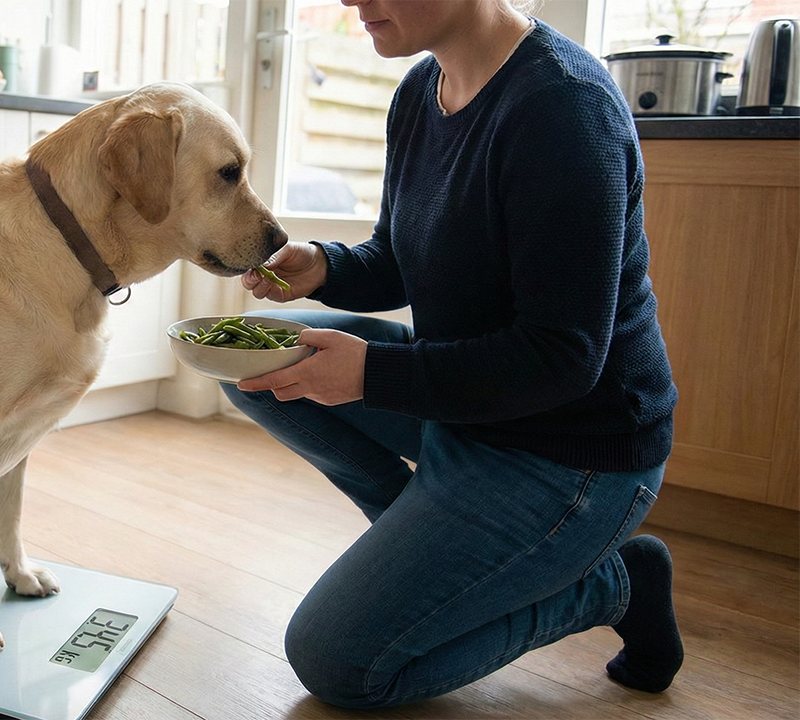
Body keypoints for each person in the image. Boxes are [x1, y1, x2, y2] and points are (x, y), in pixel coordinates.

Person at [223, 0, 683, 708]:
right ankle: (437, 540)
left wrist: (372, 374)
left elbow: (563, 356)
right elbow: (405, 259)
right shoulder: (420, 90)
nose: (351, 1)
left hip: (572, 451)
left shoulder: (564, 109)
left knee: (338, 663)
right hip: (471, 404)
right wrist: (325, 264)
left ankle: (614, 584)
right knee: (251, 368)